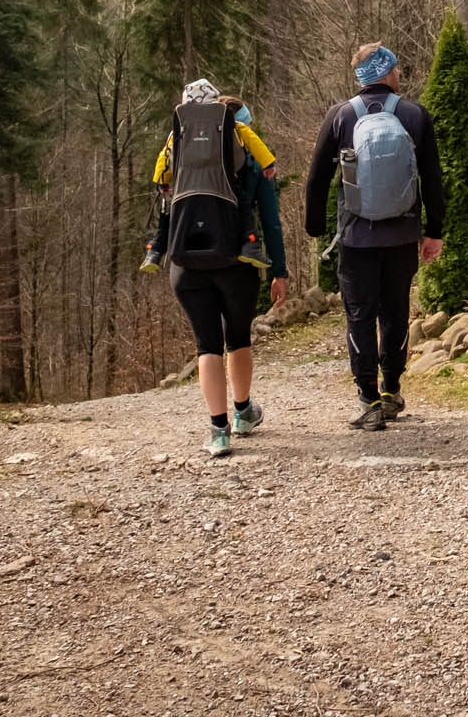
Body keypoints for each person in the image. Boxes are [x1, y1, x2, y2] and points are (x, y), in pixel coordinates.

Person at [304, 43, 445, 431]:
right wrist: (434, 232)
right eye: (396, 68)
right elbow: (432, 178)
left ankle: (367, 397)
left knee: (360, 316)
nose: (399, 74)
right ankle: (392, 390)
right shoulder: (415, 116)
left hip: (356, 237)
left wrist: (315, 226)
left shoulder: (341, 115)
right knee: (395, 313)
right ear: (387, 72)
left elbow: (317, 179)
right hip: (401, 235)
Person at [154, 80, 289, 456]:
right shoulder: (245, 155)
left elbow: (163, 201)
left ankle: (218, 431)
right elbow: (271, 220)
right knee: (238, 337)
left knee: (206, 345)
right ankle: (244, 412)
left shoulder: (176, 149)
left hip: (185, 261)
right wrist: (279, 270)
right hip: (236, 259)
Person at [141, 79, 277, 273]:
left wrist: (161, 183)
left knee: (166, 209)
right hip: (222, 185)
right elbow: (252, 140)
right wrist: (268, 163)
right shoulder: (230, 124)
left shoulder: (178, 132)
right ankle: (250, 244)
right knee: (244, 204)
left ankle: (155, 248)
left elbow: (164, 156)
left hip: (185, 188)